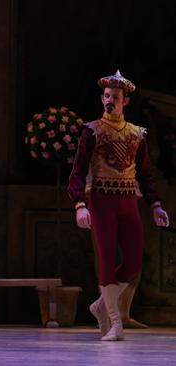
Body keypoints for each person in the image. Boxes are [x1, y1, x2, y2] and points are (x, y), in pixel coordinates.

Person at [68, 70, 170, 341]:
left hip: (128, 201)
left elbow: (146, 174)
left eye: (116, 96)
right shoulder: (92, 130)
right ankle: (115, 321)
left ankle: (101, 305)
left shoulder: (137, 134)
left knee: (134, 261)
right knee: (105, 257)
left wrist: (156, 205)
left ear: (125, 101)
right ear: (102, 99)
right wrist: (80, 204)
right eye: (107, 96)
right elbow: (78, 171)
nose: (110, 100)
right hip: (101, 199)